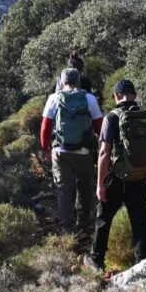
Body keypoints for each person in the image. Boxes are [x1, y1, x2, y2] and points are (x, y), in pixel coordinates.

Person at [87, 78, 146, 271]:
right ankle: (143, 262)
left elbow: (104, 152)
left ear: (116, 96)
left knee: (104, 218)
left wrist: (100, 183)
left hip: (116, 177)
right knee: (139, 219)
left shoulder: (111, 118)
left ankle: (97, 261)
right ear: (134, 95)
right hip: (140, 177)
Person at [40, 67, 103, 231]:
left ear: (61, 82)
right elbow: (99, 127)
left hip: (61, 151)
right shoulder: (89, 98)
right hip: (84, 151)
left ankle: (65, 226)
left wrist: (45, 148)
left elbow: (45, 127)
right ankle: (82, 220)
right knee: (84, 185)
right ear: (79, 81)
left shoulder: (54, 98)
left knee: (63, 189)